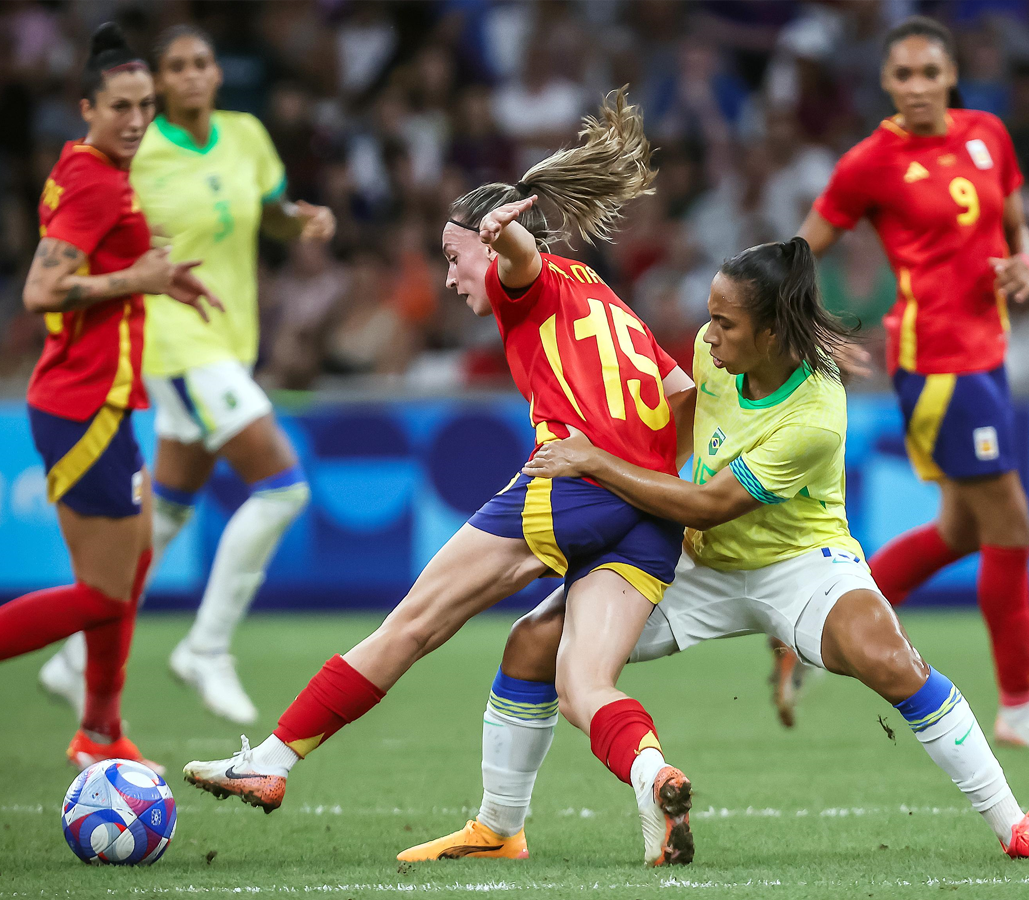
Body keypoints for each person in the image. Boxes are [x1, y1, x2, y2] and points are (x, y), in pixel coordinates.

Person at [182, 89, 703, 867]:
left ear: (491, 248)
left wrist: (506, 239)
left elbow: (515, 267)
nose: (452, 275)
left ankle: (272, 761)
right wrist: (657, 476)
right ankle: (647, 778)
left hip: (573, 485)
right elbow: (681, 393)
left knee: (412, 626)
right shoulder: (599, 291)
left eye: (454, 256)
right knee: (576, 678)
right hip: (649, 509)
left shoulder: (523, 278)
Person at [401, 238, 1029, 862]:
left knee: (889, 659)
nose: (708, 334)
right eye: (711, 315)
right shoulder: (715, 353)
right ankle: (497, 831)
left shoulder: (815, 414)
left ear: (775, 334)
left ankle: (1013, 825)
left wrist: (594, 462)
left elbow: (711, 503)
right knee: (533, 642)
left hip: (800, 567)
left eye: (726, 323)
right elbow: (673, 425)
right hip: (697, 560)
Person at [0, 23, 219, 772]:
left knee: (128, 574)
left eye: (146, 106)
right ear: (86, 107)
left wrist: (155, 277)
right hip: (84, 405)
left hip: (108, 400)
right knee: (101, 594)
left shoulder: (85, 165)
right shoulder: (96, 181)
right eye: (121, 106)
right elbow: (42, 290)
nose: (136, 120)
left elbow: (100, 267)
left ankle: (99, 730)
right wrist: (140, 280)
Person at [38, 24, 335, 725]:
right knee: (283, 487)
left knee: (167, 510)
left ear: (218, 73)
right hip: (173, 339)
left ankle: (76, 658)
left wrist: (301, 221)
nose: (194, 74)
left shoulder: (246, 135)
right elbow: (90, 225)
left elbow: (269, 213)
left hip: (231, 338)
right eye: (178, 67)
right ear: (158, 86)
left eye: (204, 61)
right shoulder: (137, 153)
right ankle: (205, 648)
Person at [775, 16, 1029, 742]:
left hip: (986, 355)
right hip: (938, 361)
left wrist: (1022, 263)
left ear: (950, 76)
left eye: (930, 73)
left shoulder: (988, 134)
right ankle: (1018, 705)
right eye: (903, 75)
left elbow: (1014, 222)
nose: (918, 86)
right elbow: (799, 252)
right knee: (1010, 524)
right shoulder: (870, 163)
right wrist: (810, 332)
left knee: (958, 528)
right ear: (886, 83)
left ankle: (816, 632)